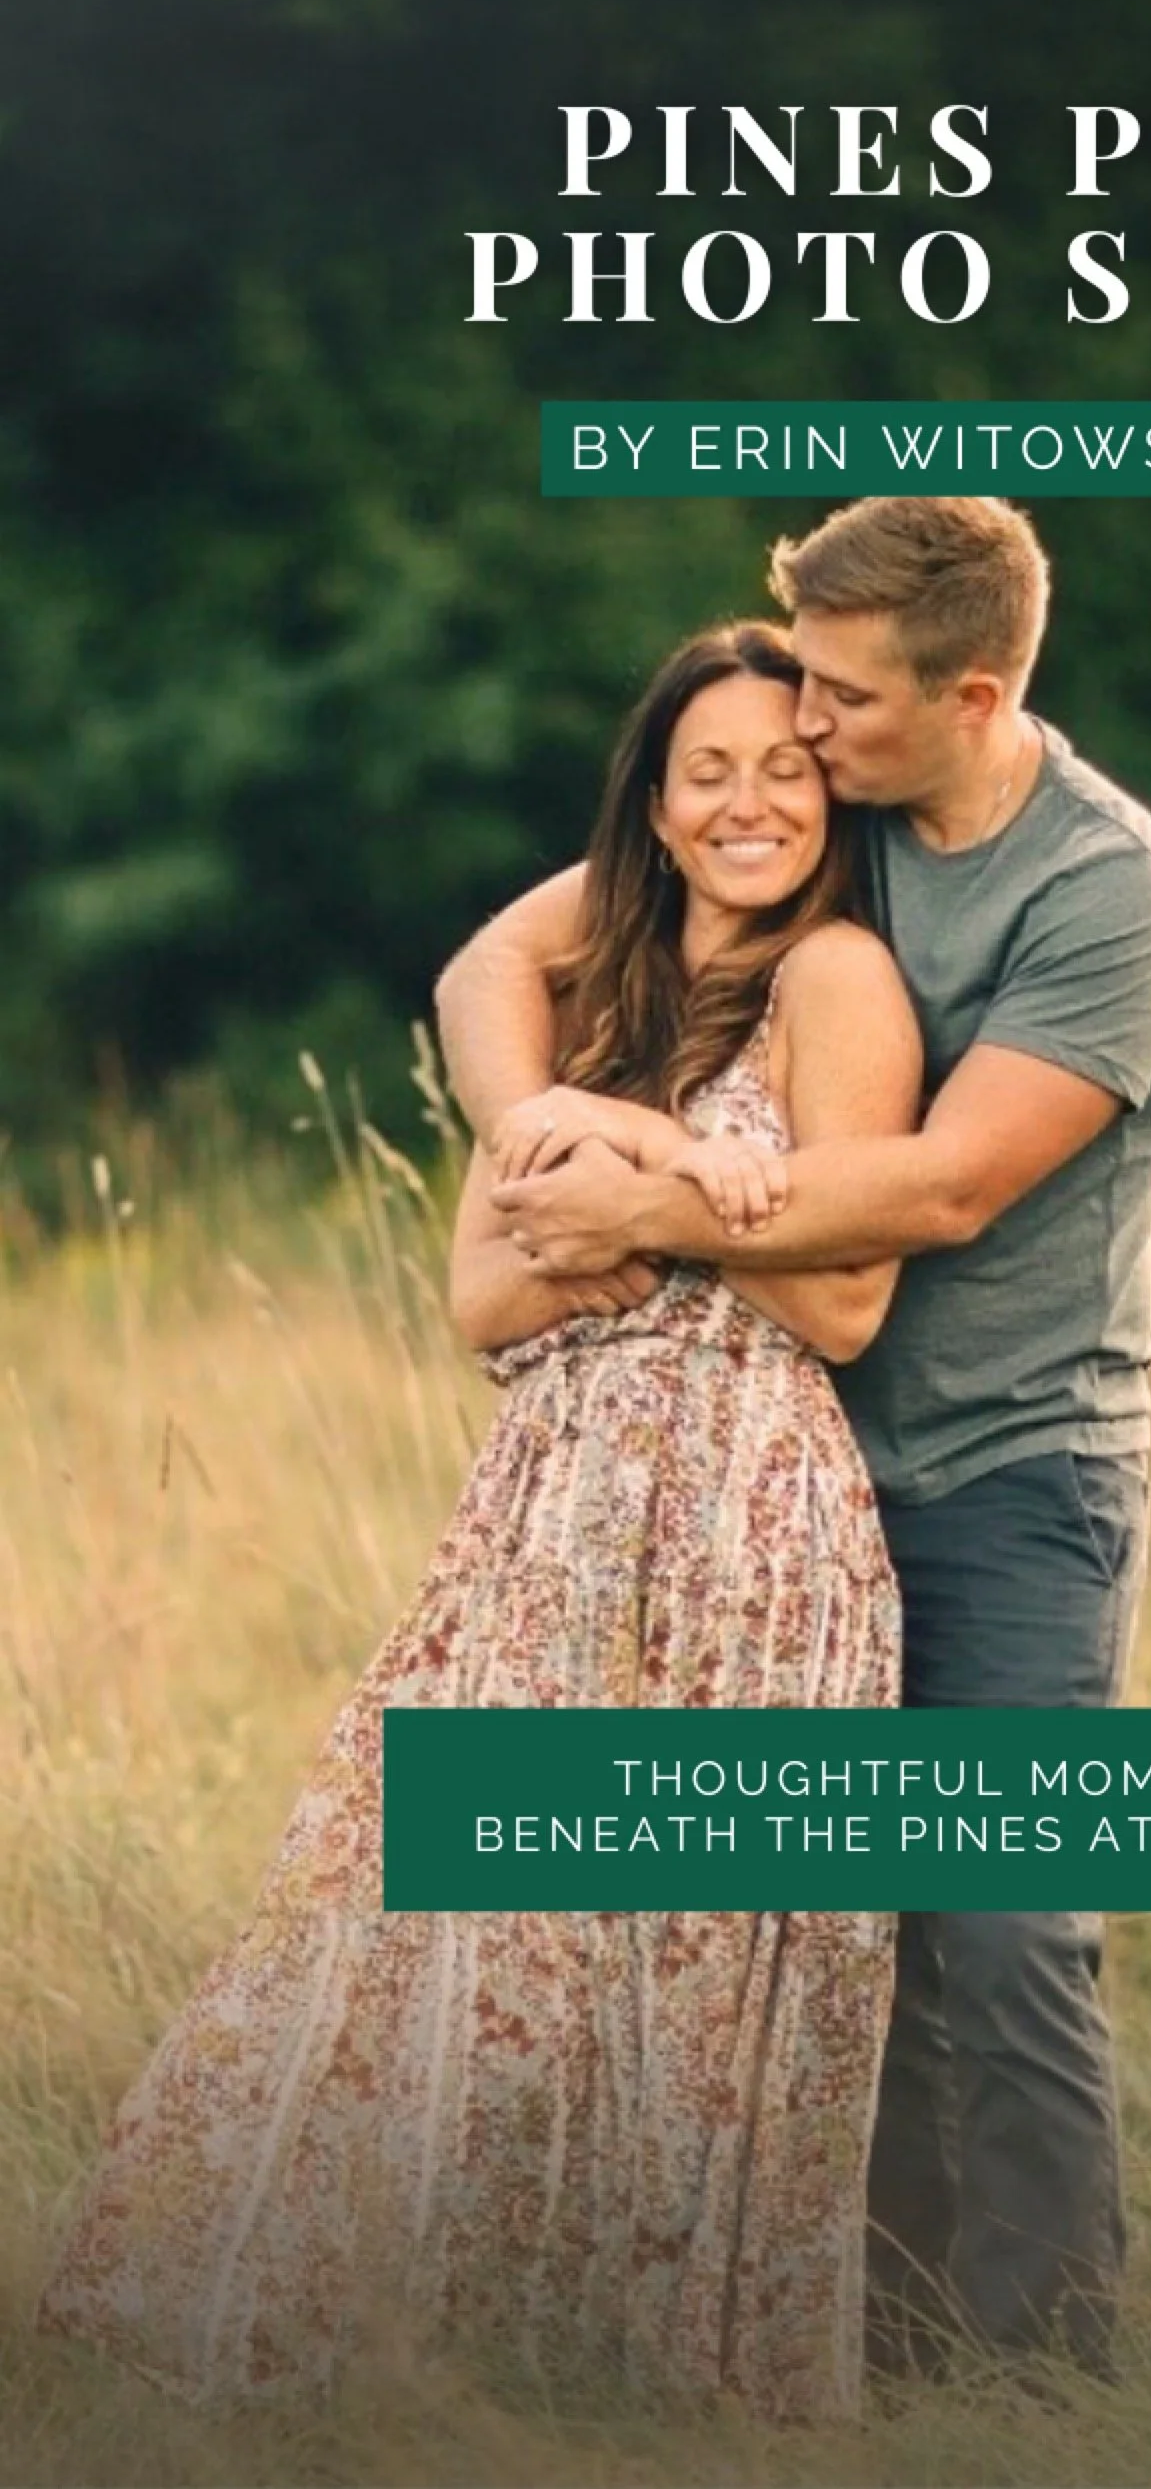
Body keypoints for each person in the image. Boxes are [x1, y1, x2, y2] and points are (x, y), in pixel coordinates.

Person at [38, 621, 923, 2422]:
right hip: (549, 1519)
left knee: (681, 1943)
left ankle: (657, 2387)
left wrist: (640, 1204)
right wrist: (641, 1151)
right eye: (709, 775)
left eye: (784, 768)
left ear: (832, 798)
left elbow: (843, 1310)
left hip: (750, 1524)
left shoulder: (840, 982)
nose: (750, 801)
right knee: (441, 1909)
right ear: (658, 814)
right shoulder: (595, 1005)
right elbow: (485, 1302)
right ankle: (427, 2352)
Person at [440, 495, 1151, 2379]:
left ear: (971, 692)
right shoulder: (834, 781)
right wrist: (537, 1136)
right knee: (824, 1933)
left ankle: (1046, 2379)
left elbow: (943, 1191)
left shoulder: (1111, 894)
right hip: (790, 1477)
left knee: (1004, 1927)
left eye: (844, 698)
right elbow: (497, 962)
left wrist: (653, 1200)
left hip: (1016, 1469)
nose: (802, 725)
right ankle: (865, 2342)